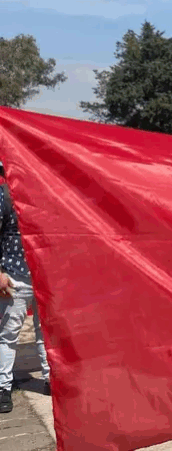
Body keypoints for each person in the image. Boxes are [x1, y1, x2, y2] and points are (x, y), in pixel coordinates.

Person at [0, 166, 50, 414]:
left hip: (45, 275)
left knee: (47, 332)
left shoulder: (44, 194)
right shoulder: (4, 195)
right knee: (8, 336)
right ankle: (3, 387)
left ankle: (51, 379)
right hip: (15, 277)